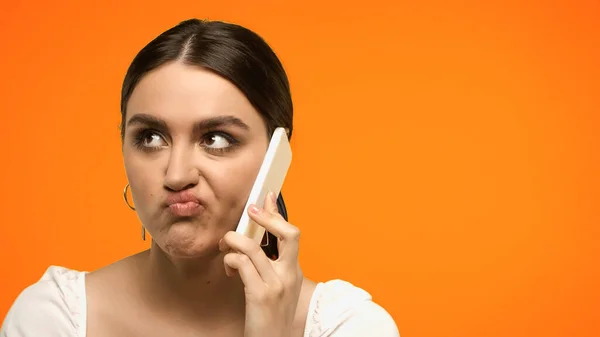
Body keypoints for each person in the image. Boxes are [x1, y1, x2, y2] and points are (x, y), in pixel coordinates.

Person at [0, 18, 400, 337]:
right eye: (151, 137)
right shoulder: (52, 319)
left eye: (216, 139)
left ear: (278, 155)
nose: (176, 175)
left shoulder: (349, 327)